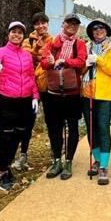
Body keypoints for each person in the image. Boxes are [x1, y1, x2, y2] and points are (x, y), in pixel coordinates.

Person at [0, 21, 38, 191]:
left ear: (23, 35)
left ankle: (7, 164)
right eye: (14, 32)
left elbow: (31, 77)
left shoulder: (27, 55)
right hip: (5, 100)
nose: (17, 35)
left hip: (24, 101)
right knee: (4, 136)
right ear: (8, 34)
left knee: (19, 133)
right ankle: (2, 171)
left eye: (20, 32)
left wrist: (35, 97)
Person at [40, 13, 87, 180]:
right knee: (55, 127)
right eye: (69, 22)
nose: (72, 26)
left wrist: (64, 61)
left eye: (75, 24)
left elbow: (81, 61)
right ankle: (57, 160)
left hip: (72, 92)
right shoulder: (52, 43)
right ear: (63, 23)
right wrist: (51, 61)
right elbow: (44, 63)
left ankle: (68, 161)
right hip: (53, 93)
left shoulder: (79, 44)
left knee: (72, 127)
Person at [82, 19, 111, 185]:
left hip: (104, 94)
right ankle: (97, 160)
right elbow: (80, 70)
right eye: (95, 29)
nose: (98, 30)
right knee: (91, 128)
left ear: (107, 30)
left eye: (101, 28)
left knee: (103, 127)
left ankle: (104, 165)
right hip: (87, 91)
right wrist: (85, 64)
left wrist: (98, 59)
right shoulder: (85, 47)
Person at [16, 12, 52, 171]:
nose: (41, 26)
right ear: (34, 26)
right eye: (37, 23)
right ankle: (23, 155)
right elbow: (25, 59)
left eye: (43, 22)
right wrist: (36, 47)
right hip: (31, 85)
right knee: (27, 121)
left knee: (52, 120)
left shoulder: (53, 40)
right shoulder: (26, 41)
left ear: (47, 24)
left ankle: (54, 153)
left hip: (48, 84)